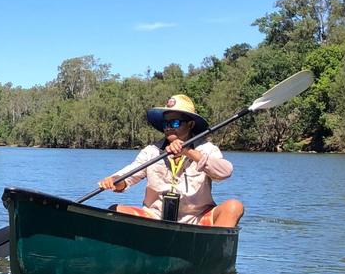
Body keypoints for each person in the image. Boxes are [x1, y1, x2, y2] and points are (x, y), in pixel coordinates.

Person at [97, 94, 244, 228]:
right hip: (154, 217)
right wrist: (116, 181)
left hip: (197, 219)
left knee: (234, 207)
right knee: (115, 210)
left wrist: (188, 152)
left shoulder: (207, 149)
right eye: (165, 124)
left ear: (190, 125)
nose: (168, 128)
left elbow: (225, 172)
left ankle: (211, 252)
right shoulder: (152, 151)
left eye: (174, 123)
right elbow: (129, 176)